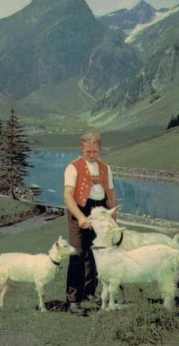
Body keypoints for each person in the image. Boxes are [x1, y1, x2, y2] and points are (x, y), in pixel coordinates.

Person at [63, 131, 118, 315]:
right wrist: (80, 216)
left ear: (100, 149)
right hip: (79, 208)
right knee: (78, 252)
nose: (92, 155)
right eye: (89, 152)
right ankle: (73, 299)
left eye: (95, 151)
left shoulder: (105, 168)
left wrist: (113, 218)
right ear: (82, 149)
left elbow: (110, 193)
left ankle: (89, 291)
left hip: (100, 209)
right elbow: (67, 196)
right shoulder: (73, 167)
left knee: (96, 251)